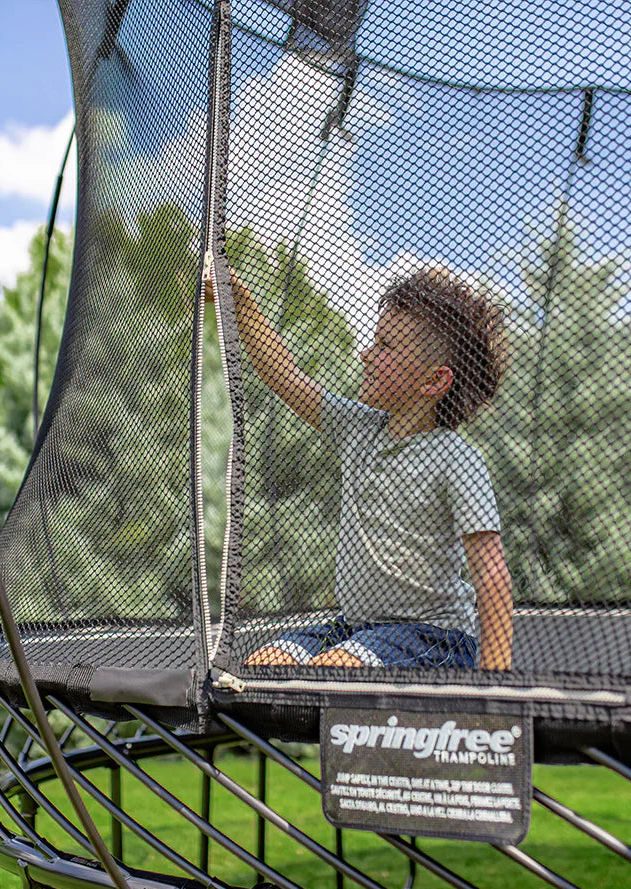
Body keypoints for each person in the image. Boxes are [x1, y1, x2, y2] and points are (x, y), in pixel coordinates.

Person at [205, 266, 513, 670]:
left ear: (434, 380)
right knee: (264, 666)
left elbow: (491, 575)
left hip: (435, 635)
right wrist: (239, 302)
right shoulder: (358, 428)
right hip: (354, 627)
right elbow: (287, 377)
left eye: (385, 346)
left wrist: (494, 685)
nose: (366, 353)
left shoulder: (456, 459)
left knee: (335, 669)